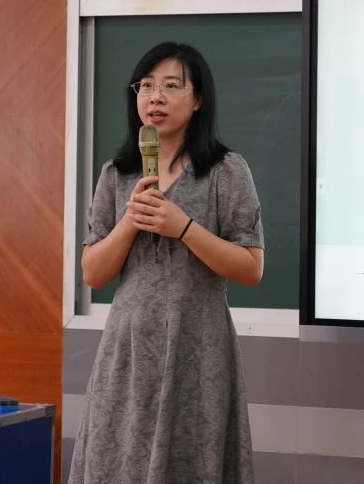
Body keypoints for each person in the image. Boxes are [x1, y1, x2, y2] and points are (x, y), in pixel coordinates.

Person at [69, 42, 264, 484]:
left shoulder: (226, 170)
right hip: (129, 346)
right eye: (146, 86)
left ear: (197, 100)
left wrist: (184, 227)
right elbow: (93, 273)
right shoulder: (116, 173)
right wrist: (129, 222)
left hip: (198, 345)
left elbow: (251, 268)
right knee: (119, 462)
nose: (155, 97)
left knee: (191, 462)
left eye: (171, 86)